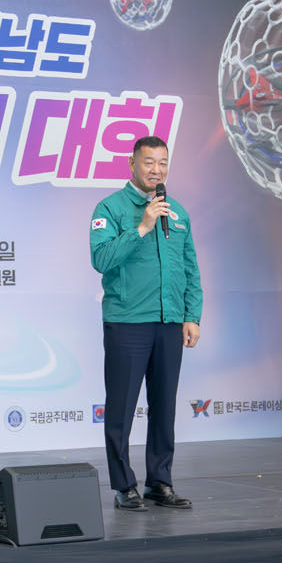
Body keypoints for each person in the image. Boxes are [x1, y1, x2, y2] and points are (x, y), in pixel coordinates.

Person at [89, 135, 202, 511]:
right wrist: (141, 226)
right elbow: (101, 259)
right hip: (128, 321)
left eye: (163, 162)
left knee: (164, 406)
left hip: (169, 322)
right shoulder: (111, 208)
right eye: (149, 162)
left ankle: (160, 481)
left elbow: (190, 268)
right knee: (121, 408)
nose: (157, 170)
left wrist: (191, 315)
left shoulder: (178, 212)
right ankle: (124, 485)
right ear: (132, 164)